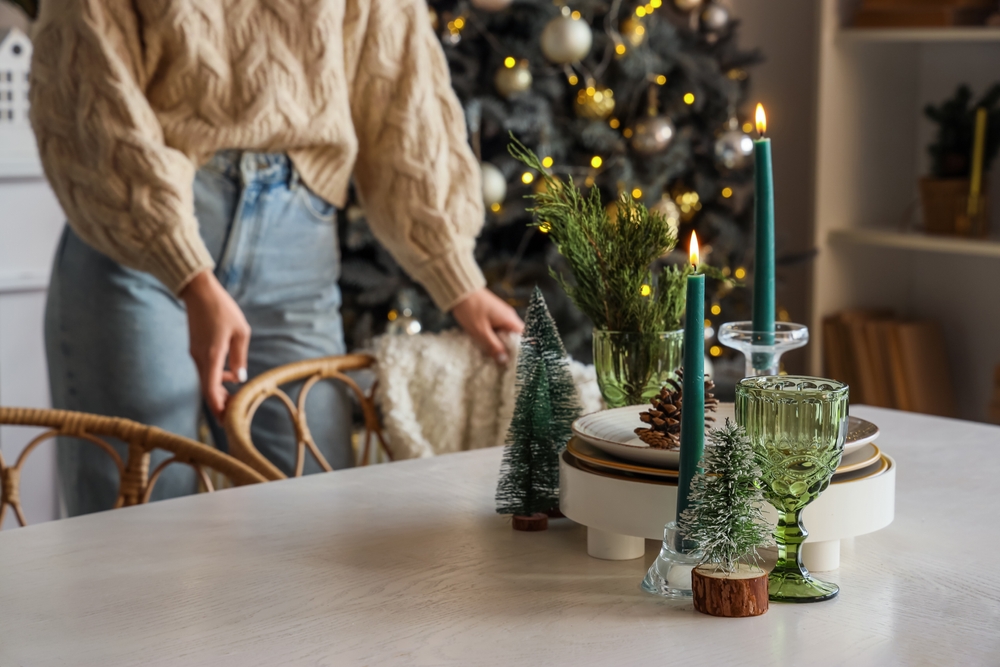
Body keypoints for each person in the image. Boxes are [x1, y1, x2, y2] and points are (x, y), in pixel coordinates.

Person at [29, 0, 524, 516]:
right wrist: (188, 273)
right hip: (136, 238)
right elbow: (86, 81)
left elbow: (399, 79)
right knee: (137, 507)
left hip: (297, 243)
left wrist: (457, 279)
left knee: (315, 515)